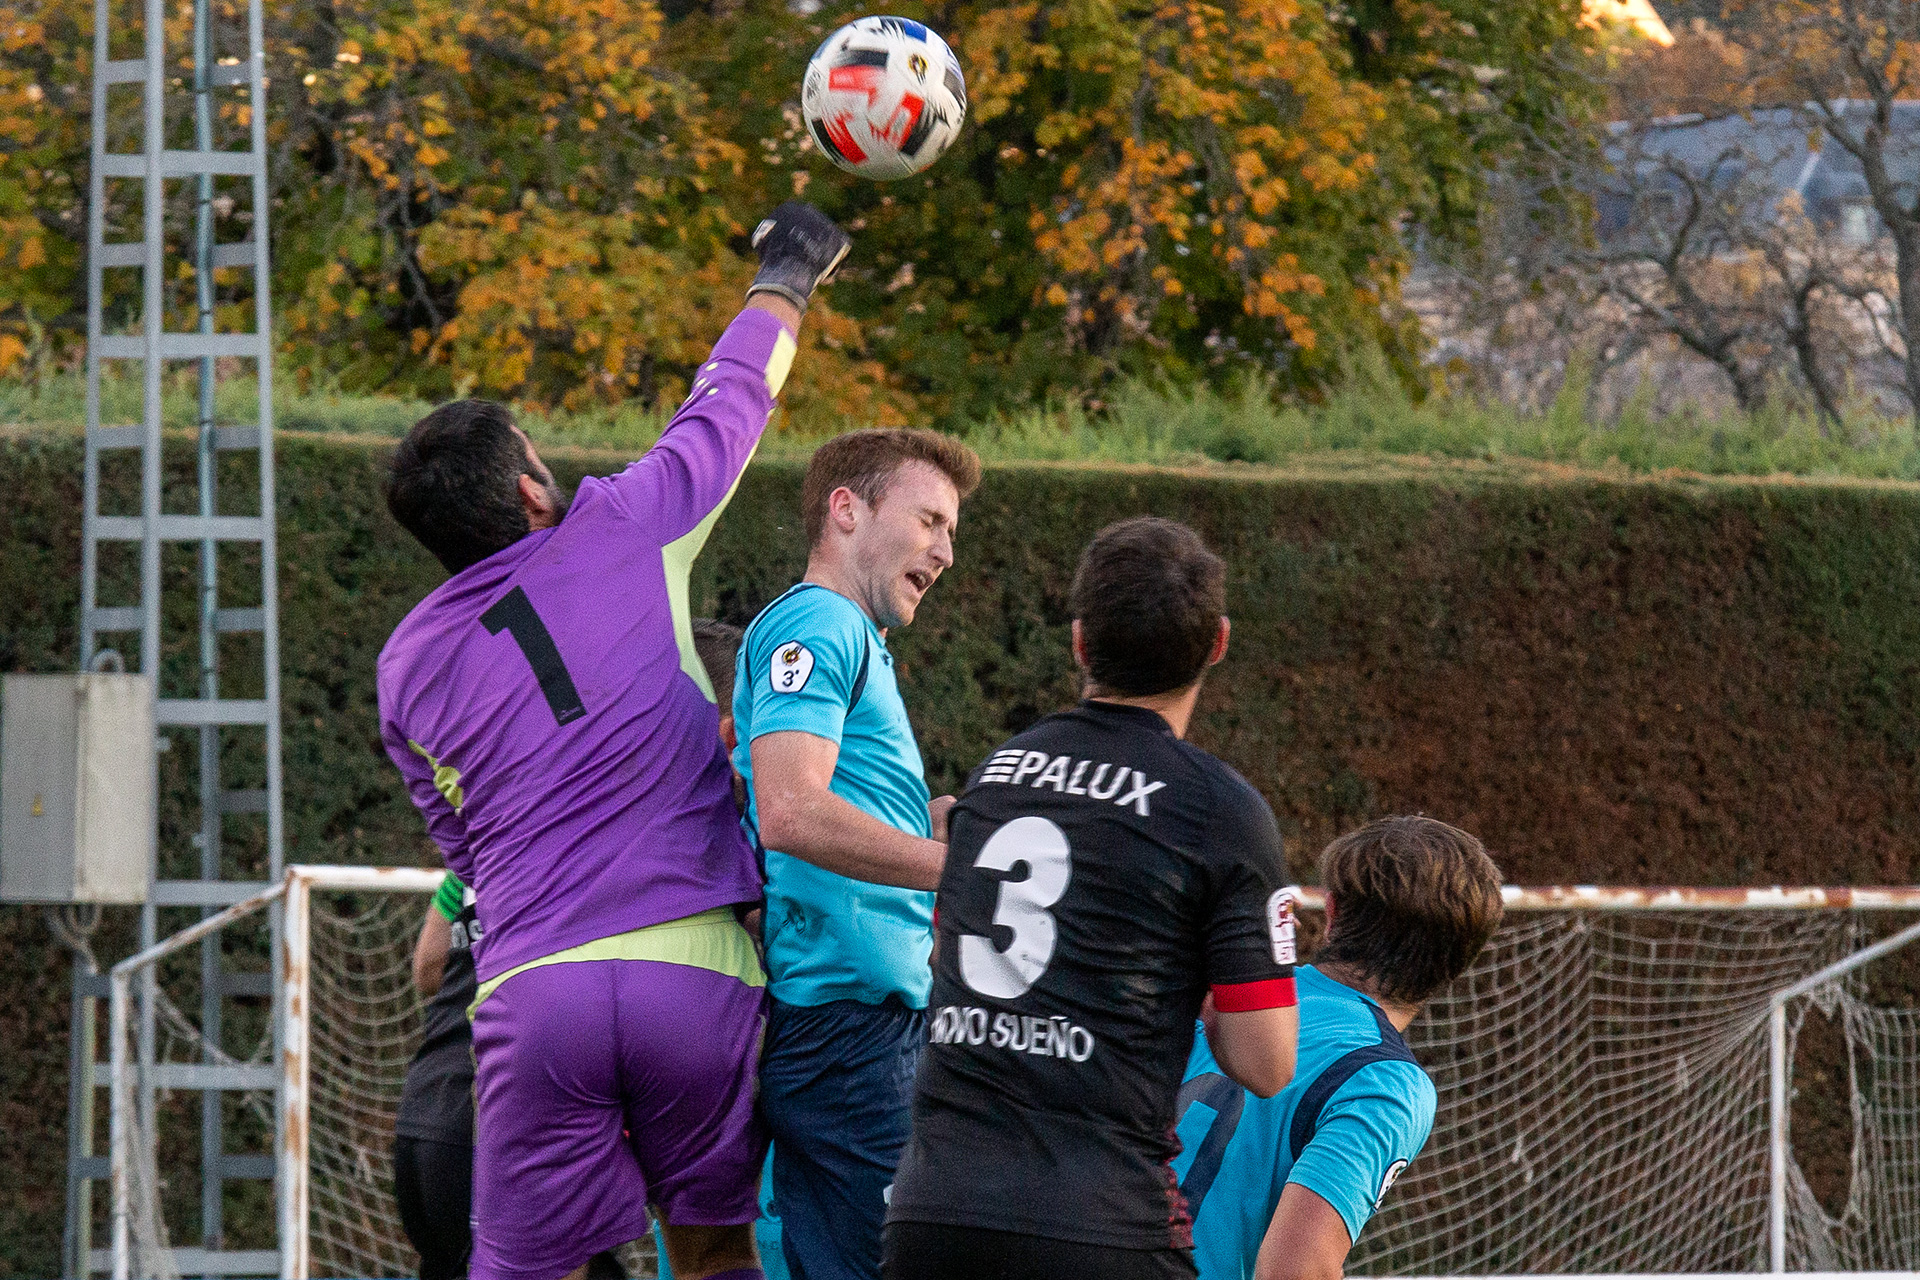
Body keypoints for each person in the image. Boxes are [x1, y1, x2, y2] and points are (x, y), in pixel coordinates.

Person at [376, 202, 851, 1280]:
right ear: (534, 491)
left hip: (535, 985)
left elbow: (463, 850)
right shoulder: (625, 524)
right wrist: (788, 268)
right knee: (716, 1249)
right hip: (697, 967)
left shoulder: (404, 668)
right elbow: (730, 400)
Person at [884, 516, 1301, 1280]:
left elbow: (950, 951)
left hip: (931, 1212)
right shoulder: (1221, 810)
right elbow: (1267, 1061)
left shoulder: (999, 773)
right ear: (1218, 644)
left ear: (1078, 641)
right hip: (1100, 1222)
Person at [730, 428, 982, 1280]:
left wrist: (929, 832)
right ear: (847, 510)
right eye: (930, 521)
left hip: (855, 1029)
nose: (946, 552)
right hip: (847, 1031)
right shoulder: (818, 620)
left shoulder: (850, 634)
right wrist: (963, 871)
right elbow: (792, 812)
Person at [1173, 816, 1504, 1280]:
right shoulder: (1385, 1082)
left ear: (1332, 913)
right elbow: (1294, 1270)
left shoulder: (1222, 998)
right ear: (1461, 960)